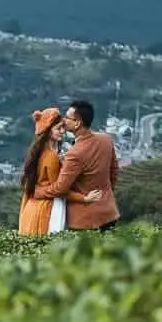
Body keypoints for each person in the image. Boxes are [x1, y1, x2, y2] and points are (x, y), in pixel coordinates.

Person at [18, 105, 106, 236]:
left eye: (63, 128)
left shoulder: (42, 153)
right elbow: (59, 189)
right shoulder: (51, 156)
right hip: (46, 209)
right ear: (48, 131)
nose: (62, 132)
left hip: (34, 208)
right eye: (58, 128)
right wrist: (85, 198)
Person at [44, 99, 120, 231]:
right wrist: (106, 194)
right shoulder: (106, 140)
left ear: (78, 123)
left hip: (84, 220)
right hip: (108, 213)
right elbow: (114, 171)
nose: (63, 120)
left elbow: (60, 189)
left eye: (67, 117)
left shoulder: (75, 154)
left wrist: (39, 191)